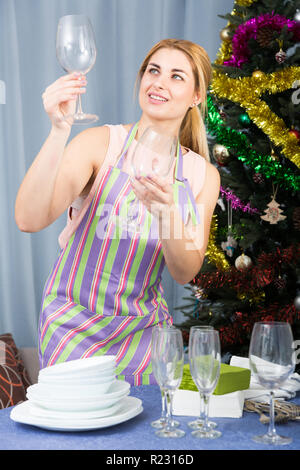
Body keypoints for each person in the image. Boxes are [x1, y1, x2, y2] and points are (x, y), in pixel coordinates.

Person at [15, 38, 220, 385]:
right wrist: (58, 131)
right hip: (73, 327)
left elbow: (185, 272)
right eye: (153, 71)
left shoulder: (202, 174)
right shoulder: (100, 144)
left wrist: (167, 214)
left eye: (176, 76)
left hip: (144, 334)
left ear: (197, 96)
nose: (159, 82)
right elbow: (29, 219)